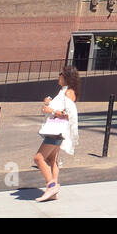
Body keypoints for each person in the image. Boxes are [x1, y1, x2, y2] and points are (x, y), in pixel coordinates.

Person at [33, 66, 81, 202]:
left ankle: (52, 186)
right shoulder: (64, 91)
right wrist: (49, 104)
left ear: (66, 77)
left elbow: (68, 114)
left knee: (38, 158)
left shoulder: (68, 92)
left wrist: (50, 110)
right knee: (52, 160)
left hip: (57, 131)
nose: (58, 77)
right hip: (56, 130)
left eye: (60, 74)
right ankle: (53, 192)